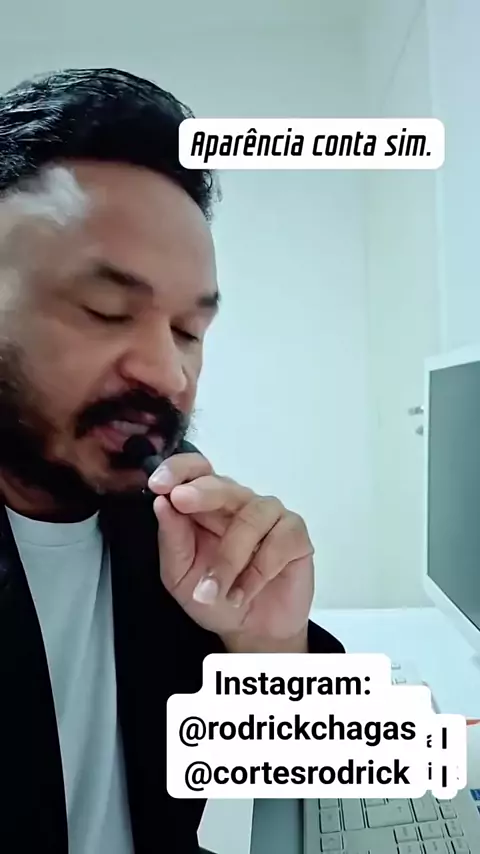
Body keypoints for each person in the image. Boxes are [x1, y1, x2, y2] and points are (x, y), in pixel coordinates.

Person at [0, 67, 344, 853]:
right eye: (106, 310)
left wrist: (269, 647)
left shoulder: (161, 524)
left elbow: (315, 790)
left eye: (190, 331)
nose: (168, 372)